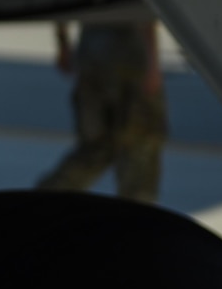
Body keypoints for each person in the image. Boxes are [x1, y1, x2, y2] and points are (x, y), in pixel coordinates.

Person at [37, 16, 166, 202]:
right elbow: (144, 7)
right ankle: (138, 217)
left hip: (92, 54)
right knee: (139, 148)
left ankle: (47, 198)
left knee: (95, 146)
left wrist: (63, 42)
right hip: (130, 58)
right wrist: (152, 65)